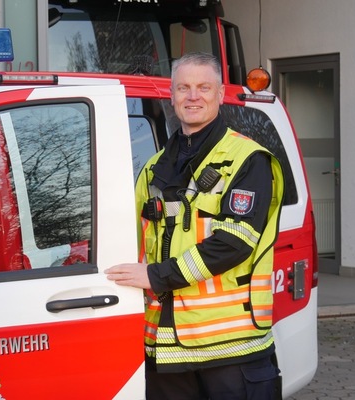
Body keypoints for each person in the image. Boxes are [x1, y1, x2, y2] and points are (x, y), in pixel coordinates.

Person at [105, 52, 285, 399]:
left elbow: (234, 243)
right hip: (166, 346)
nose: (193, 96)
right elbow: (132, 238)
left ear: (220, 94)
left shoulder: (247, 159)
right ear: (171, 96)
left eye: (204, 87)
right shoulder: (153, 168)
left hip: (231, 347)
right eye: (183, 88)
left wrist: (156, 276)